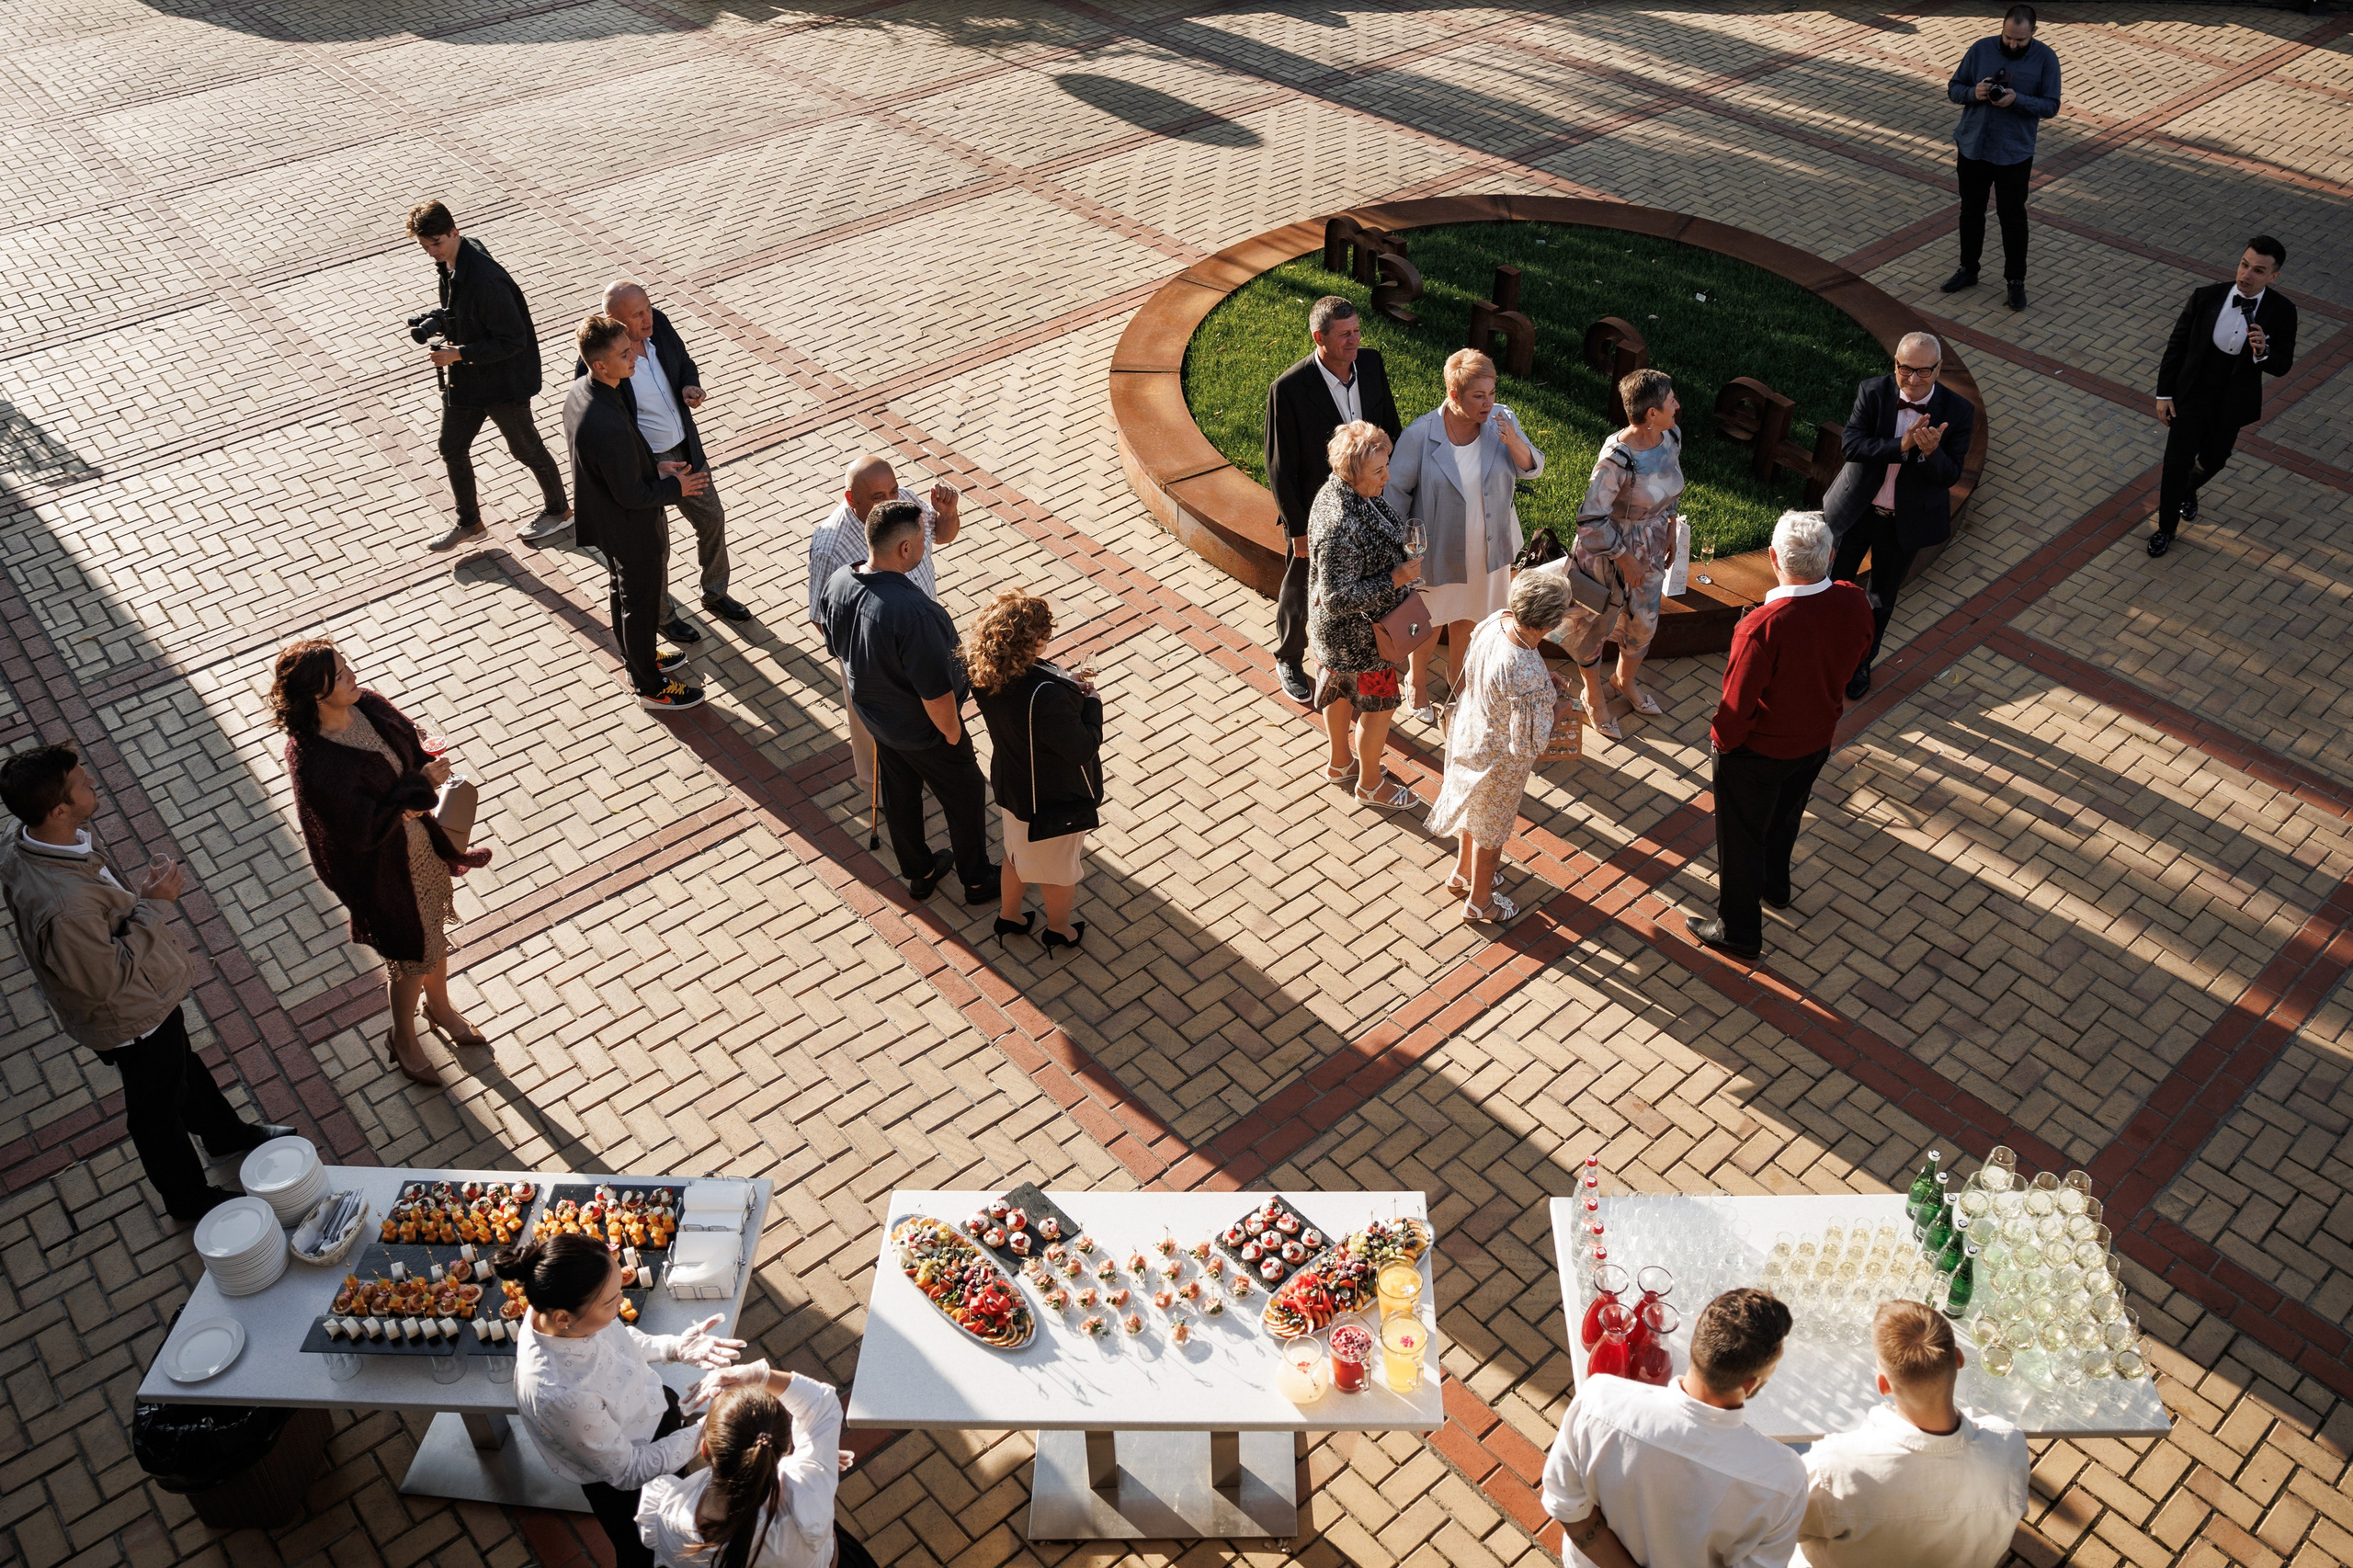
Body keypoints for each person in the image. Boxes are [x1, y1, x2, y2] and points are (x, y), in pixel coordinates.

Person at [0, 744, 290, 1221]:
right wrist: (155, 905)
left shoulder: (25, 836)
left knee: (181, 1066)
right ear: (57, 810)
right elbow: (105, 978)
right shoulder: (63, 906)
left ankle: (224, 1135)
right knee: (155, 1112)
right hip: (128, 1014)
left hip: (144, 1004)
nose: (92, 780)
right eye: (82, 783)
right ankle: (188, 1200)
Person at [274, 641, 492, 1088]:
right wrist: (416, 788)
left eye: (346, 664)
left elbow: (409, 744)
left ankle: (440, 1008)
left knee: (432, 935)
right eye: (340, 672)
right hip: (383, 872)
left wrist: (427, 765)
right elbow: (357, 832)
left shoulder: (368, 704)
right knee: (410, 957)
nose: (352, 674)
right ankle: (403, 1037)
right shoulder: (314, 759)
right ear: (317, 693)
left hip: (421, 851)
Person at [501, 1232, 745, 1568]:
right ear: (562, 1318)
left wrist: (674, 1347)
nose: (621, 1305)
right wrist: (711, 1428)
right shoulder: (558, 1394)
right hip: (629, 1488)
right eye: (610, 1302)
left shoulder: (564, 1314)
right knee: (645, 1553)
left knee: (680, 1501)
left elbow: (617, 1340)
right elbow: (629, 1471)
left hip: (655, 1413)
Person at [1691, 512, 1873, 961]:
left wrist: (1721, 743)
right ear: (1830, 557)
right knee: (1786, 816)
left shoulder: (1760, 626)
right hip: (1816, 742)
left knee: (1741, 839)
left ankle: (1738, 931)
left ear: (1773, 558)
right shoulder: (1853, 599)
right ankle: (1776, 886)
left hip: (1757, 752)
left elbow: (1736, 707)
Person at [1542, 1288, 1807, 1568]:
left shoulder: (1598, 1402)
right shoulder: (1784, 1478)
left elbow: (1567, 1505)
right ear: (1750, 1384)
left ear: (1696, 1335)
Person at [821, 499, 995, 903]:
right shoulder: (915, 613)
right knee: (966, 794)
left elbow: (837, 647)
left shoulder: (840, 583)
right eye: (921, 539)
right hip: (926, 731)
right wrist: (952, 735)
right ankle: (976, 879)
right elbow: (935, 693)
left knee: (900, 796)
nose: (924, 545)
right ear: (904, 549)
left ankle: (920, 873)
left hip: (880, 722)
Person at [563, 281, 752, 638]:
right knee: (656, 547)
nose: (647, 318)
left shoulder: (659, 325)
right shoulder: (600, 361)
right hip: (645, 462)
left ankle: (715, 594)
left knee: (712, 518)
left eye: (648, 307)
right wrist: (649, 465)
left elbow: (683, 362)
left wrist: (688, 385)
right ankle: (664, 616)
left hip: (684, 448)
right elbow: (605, 415)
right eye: (637, 314)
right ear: (613, 319)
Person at [1797, 1301, 2029, 1568]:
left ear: (1883, 1384)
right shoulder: (2009, 1446)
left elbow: (1778, 1525)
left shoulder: (1834, 1466)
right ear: (1959, 1359)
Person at [1383, 347, 1544, 718]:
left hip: (1488, 550)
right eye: (1478, 396)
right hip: (1435, 551)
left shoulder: (1502, 420)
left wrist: (1513, 442)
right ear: (1453, 395)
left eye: (1491, 392)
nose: (1489, 403)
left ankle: (1458, 681)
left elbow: (1532, 468)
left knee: (1470, 619)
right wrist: (1403, 549)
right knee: (1429, 620)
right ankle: (1417, 682)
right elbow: (1394, 496)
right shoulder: (1421, 435)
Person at [566, 313, 712, 711]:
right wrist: (673, 486)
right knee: (641, 600)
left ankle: (638, 657)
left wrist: (654, 465)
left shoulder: (583, 390)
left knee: (623, 592)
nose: (635, 357)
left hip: (607, 518)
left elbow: (619, 462)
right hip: (630, 526)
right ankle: (651, 686)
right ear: (600, 364)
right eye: (624, 353)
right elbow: (631, 494)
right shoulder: (606, 420)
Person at [404, 199, 570, 551]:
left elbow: (512, 339)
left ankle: (559, 511)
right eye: (424, 246)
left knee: (526, 448)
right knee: (451, 446)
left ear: (454, 231)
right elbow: (464, 309)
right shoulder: (453, 261)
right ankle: (471, 524)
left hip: (501, 382)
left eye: (436, 243)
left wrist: (459, 353)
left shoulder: (485, 279)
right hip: (469, 379)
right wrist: (437, 317)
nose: (430, 252)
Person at [1821, 333, 1973, 699]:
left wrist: (1932, 453)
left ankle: (1860, 663)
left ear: (1939, 369)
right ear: (1895, 365)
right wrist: (1900, 446)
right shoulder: (1873, 392)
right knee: (1830, 588)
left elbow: (1951, 476)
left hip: (1903, 522)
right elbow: (1851, 446)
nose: (1914, 380)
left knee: (1880, 600)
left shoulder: (1959, 411)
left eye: (1924, 371)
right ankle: (1822, 656)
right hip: (1856, 511)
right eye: (1906, 370)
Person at [1265, 297, 1403, 703]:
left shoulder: (1372, 364)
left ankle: (1371, 653)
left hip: (1369, 496)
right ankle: (1289, 656)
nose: (1354, 340)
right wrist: (1297, 529)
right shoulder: (1288, 389)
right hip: (1317, 510)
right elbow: (1279, 466)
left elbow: (1390, 425)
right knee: (1303, 584)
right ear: (1318, 337)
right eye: (1344, 334)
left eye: (1357, 331)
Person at [1426, 573, 1576, 924]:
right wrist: (1557, 709)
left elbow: (1492, 672)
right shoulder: (1526, 668)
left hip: (1471, 732)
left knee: (1470, 810)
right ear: (1550, 622)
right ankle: (1480, 901)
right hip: (1498, 763)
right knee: (1491, 832)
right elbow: (1529, 744)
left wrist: (1542, 688)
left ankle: (1463, 872)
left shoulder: (1498, 620)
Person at [806, 456, 964, 789]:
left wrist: (947, 513)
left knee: (931, 712)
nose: (891, 501)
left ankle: (925, 771)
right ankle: (881, 788)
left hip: (919, 638)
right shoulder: (830, 545)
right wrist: (866, 659)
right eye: (879, 497)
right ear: (852, 499)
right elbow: (822, 617)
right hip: (873, 660)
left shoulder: (903, 503)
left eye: (893, 489)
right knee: (879, 739)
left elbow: (942, 535)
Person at [1542, 368, 1682, 741]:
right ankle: (1594, 694)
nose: (1677, 406)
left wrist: (1668, 526)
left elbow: (1672, 488)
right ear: (1651, 414)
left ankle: (1624, 680)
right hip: (1606, 557)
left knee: (1643, 624)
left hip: (1649, 550)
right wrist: (1626, 558)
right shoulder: (1617, 459)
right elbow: (1589, 520)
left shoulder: (1670, 437)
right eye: (1671, 402)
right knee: (1594, 628)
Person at [967, 591, 1103, 955]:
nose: (1048, 638)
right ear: (1029, 641)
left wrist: (1065, 685)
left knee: (1015, 855)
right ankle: (1058, 931)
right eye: (1044, 634)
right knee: (1058, 872)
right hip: (1050, 798)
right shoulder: (1043, 697)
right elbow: (1082, 748)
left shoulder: (985, 670)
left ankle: (1009, 917)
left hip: (1012, 786)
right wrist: (1091, 704)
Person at [636, 1367, 877, 1568]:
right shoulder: (806, 1497)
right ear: (780, 1449)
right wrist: (757, 1374)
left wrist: (809, 1465)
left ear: (705, 1450)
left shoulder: (667, 1517)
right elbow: (820, 1402)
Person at [2149, 236, 2299, 558]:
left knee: (2215, 460)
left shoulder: (2283, 312)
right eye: (2244, 264)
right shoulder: (2206, 297)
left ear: (2274, 277)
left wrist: (2264, 352)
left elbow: (2283, 364)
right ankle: (2165, 528)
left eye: (2258, 270)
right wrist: (2164, 394)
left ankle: (2189, 491)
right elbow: (2176, 348)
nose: (2246, 275)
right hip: (2191, 396)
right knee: (2175, 464)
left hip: (2231, 404)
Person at [1307, 421, 1422, 811]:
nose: (1387, 476)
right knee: (1381, 707)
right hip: (1361, 640)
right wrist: (1396, 577)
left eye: (1386, 464)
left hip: (1336, 638)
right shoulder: (1341, 524)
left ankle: (1340, 764)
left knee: (1338, 692)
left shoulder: (1341, 490)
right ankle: (1371, 784)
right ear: (1353, 472)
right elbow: (1337, 597)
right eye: (1379, 470)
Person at [1942, 6, 2061, 311]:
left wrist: (2017, 99)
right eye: (2008, 37)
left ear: (2033, 32)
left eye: (2020, 41)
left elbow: (2050, 105)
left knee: (2013, 218)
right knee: (1971, 211)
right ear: (2002, 28)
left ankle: (2015, 281)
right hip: (1973, 147)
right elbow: (1954, 89)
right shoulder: (1981, 49)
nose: (2012, 45)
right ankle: (1968, 269)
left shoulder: (2046, 59)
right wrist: (1974, 92)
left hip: (2014, 153)